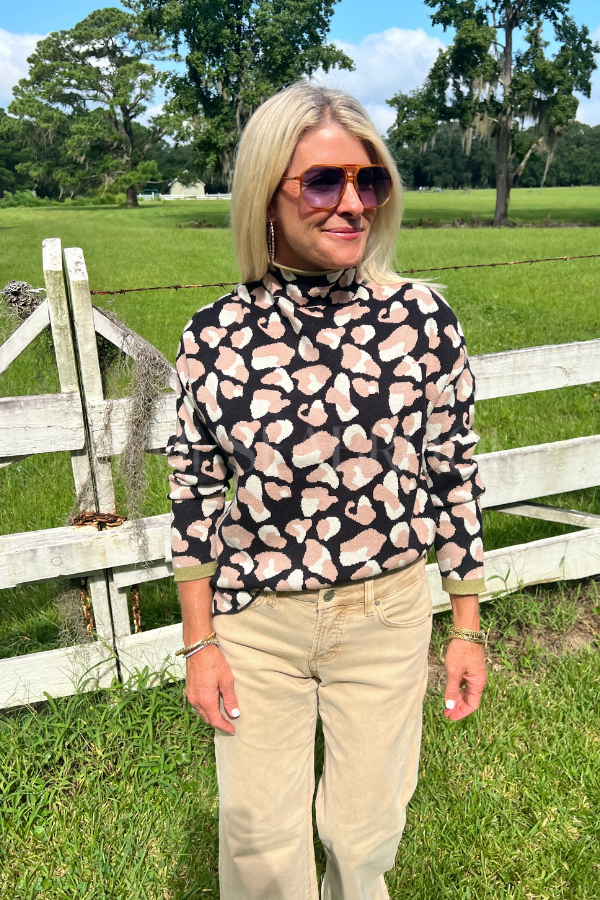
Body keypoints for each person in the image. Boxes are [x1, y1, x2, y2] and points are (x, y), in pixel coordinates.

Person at [167, 82, 487, 900]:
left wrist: (465, 627)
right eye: (322, 182)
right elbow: (194, 497)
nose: (353, 203)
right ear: (265, 196)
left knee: (362, 835)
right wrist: (200, 644)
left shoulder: (423, 320)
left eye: (368, 179)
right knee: (259, 847)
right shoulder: (214, 336)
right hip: (257, 626)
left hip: (385, 615)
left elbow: (453, 471)